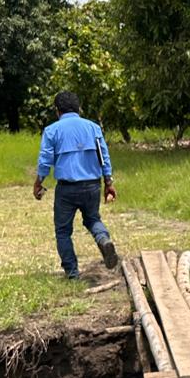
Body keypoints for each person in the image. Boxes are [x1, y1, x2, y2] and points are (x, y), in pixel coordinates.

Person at [33, 91, 119, 279]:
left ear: (57, 110)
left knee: (63, 231)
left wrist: (39, 183)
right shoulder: (93, 128)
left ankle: (72, 273)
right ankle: (104, 240)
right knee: (93, 219)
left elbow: (45, 160)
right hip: (92, 185)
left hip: (67, 189)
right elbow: (103, 156)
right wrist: (108, 182)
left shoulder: (52, 130)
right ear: (78, 109)